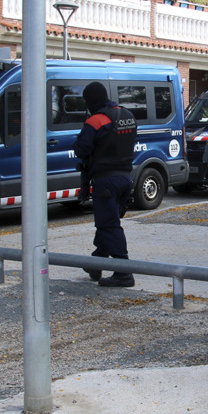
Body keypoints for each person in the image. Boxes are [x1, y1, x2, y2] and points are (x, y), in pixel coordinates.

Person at [75, 81, 138, 287]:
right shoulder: (127, 115)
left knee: (108, 225)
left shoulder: (96, 120)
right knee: (108, 221)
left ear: (91, 99)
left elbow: (82, 149)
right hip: (125, 178)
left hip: (106, 181)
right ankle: (96, 262)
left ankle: (123, 272)